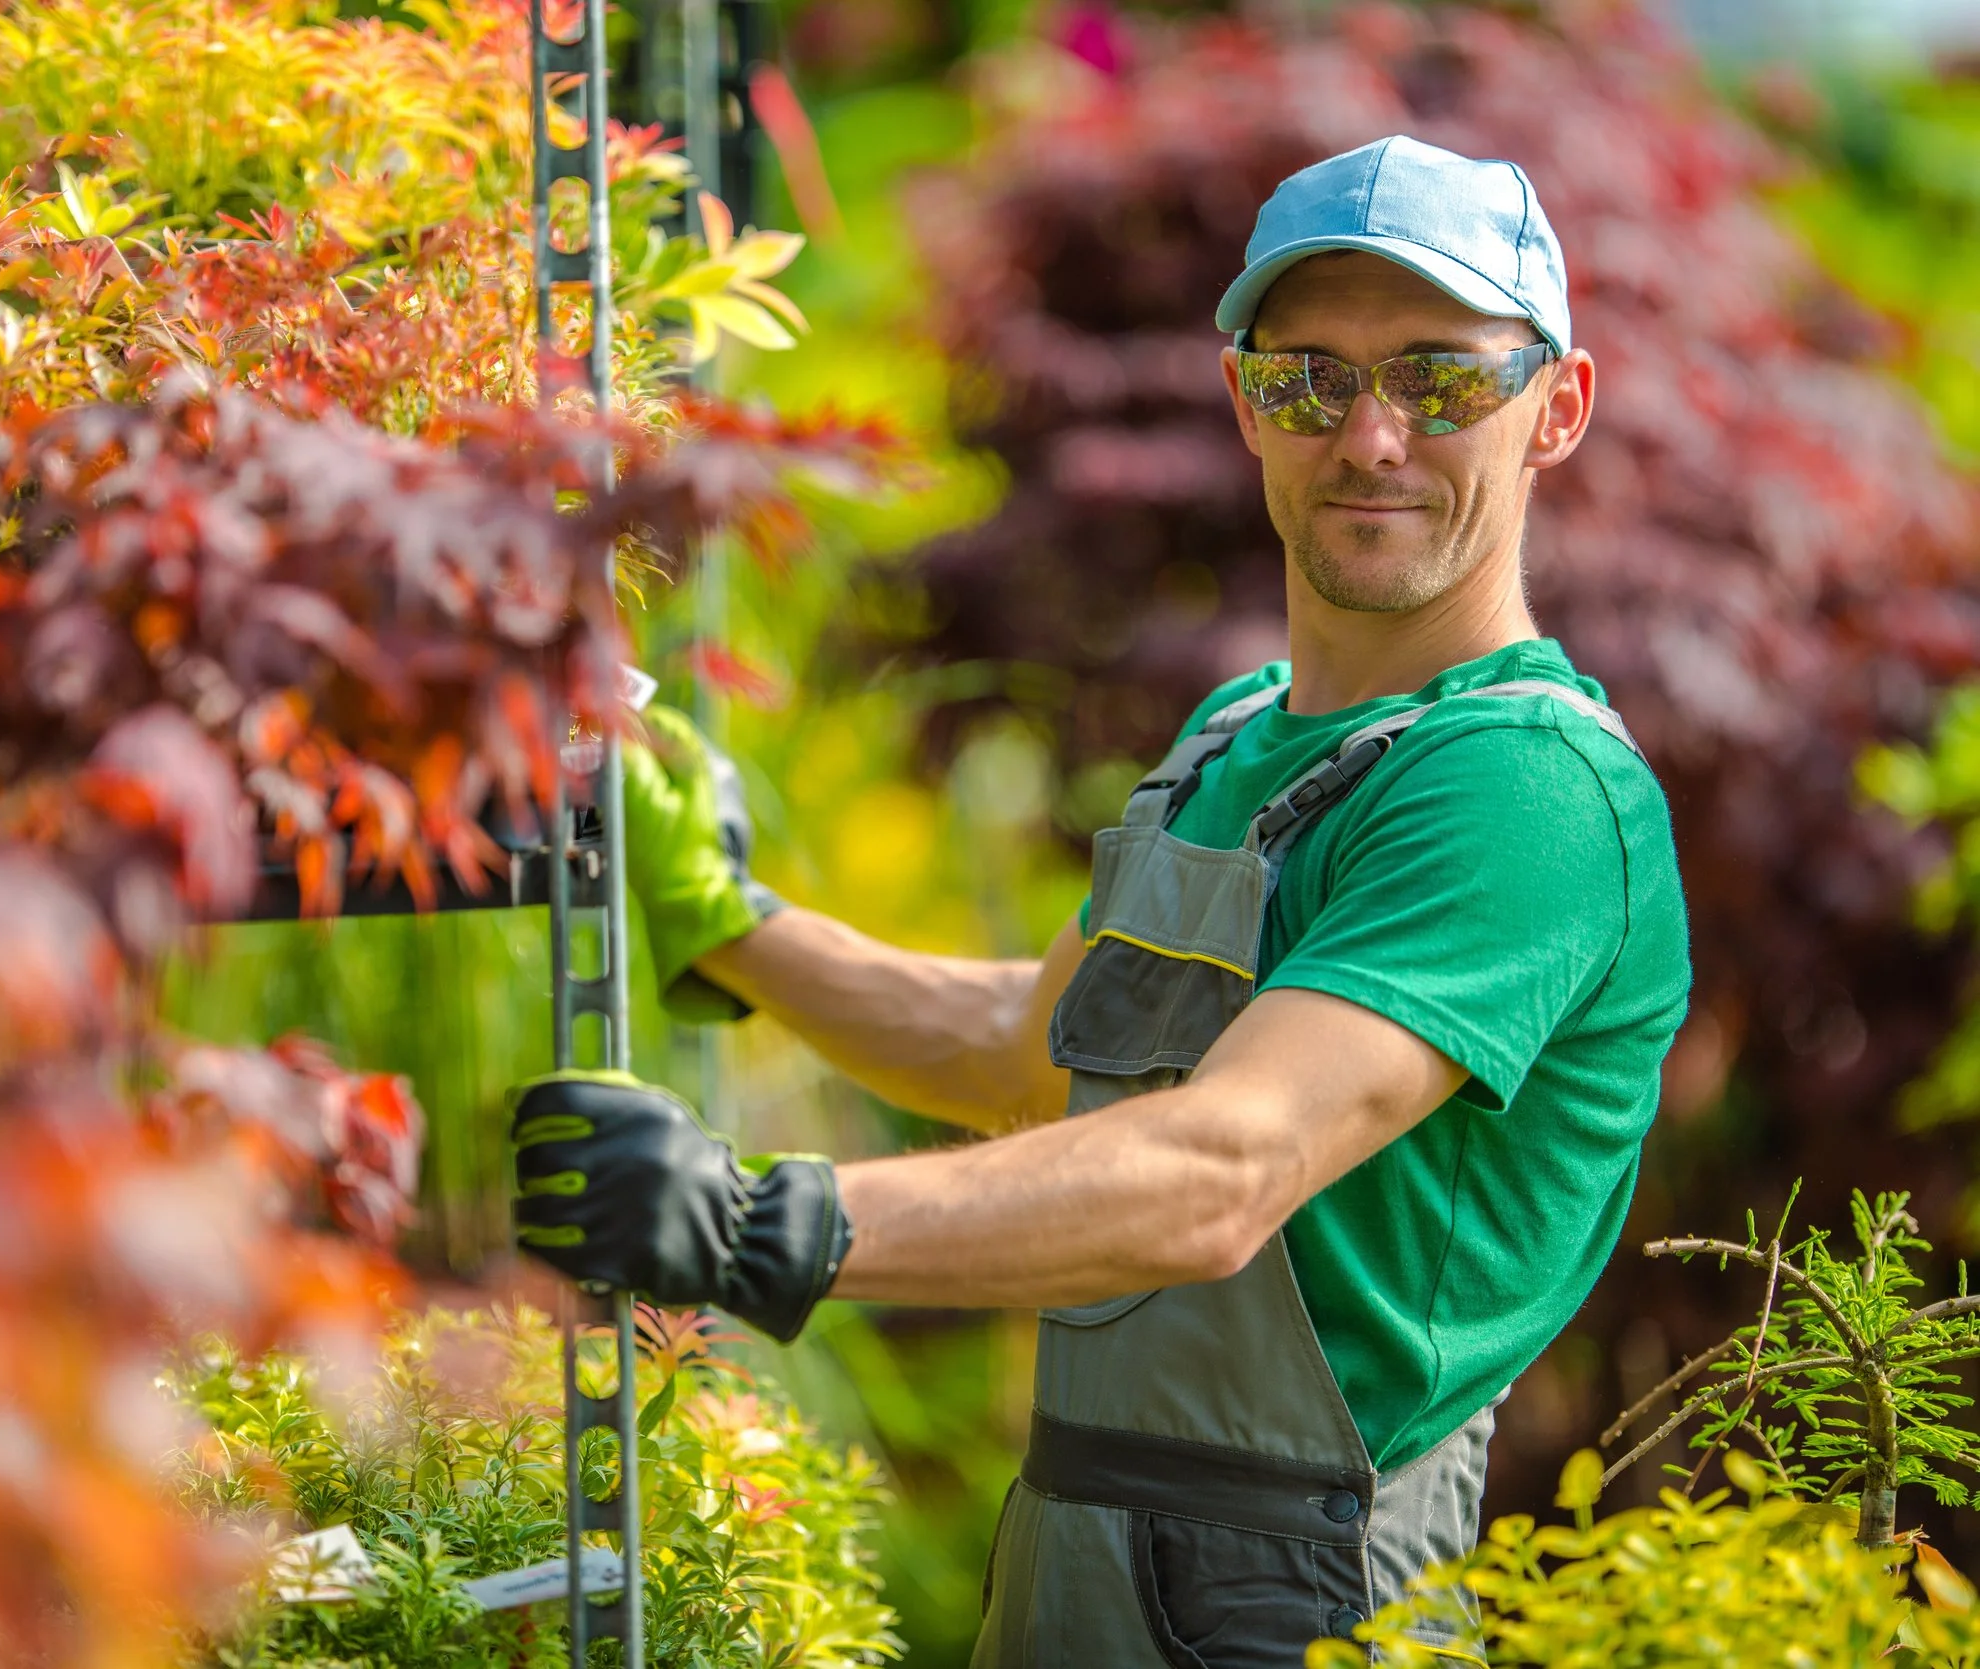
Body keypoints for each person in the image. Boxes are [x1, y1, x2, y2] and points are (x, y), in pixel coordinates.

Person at [508, 135, 1691, 1667]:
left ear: (1559, 409)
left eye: (1443, 379)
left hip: (1299, 1597)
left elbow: (1223, 1165)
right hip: (1072, 1553)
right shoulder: (1236, 737)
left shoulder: (1523, 786)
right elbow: (1030, 1049)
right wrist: (728, 923)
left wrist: (754, 1223)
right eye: (1309, 380)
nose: (1372, 436)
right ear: (1244, 404)